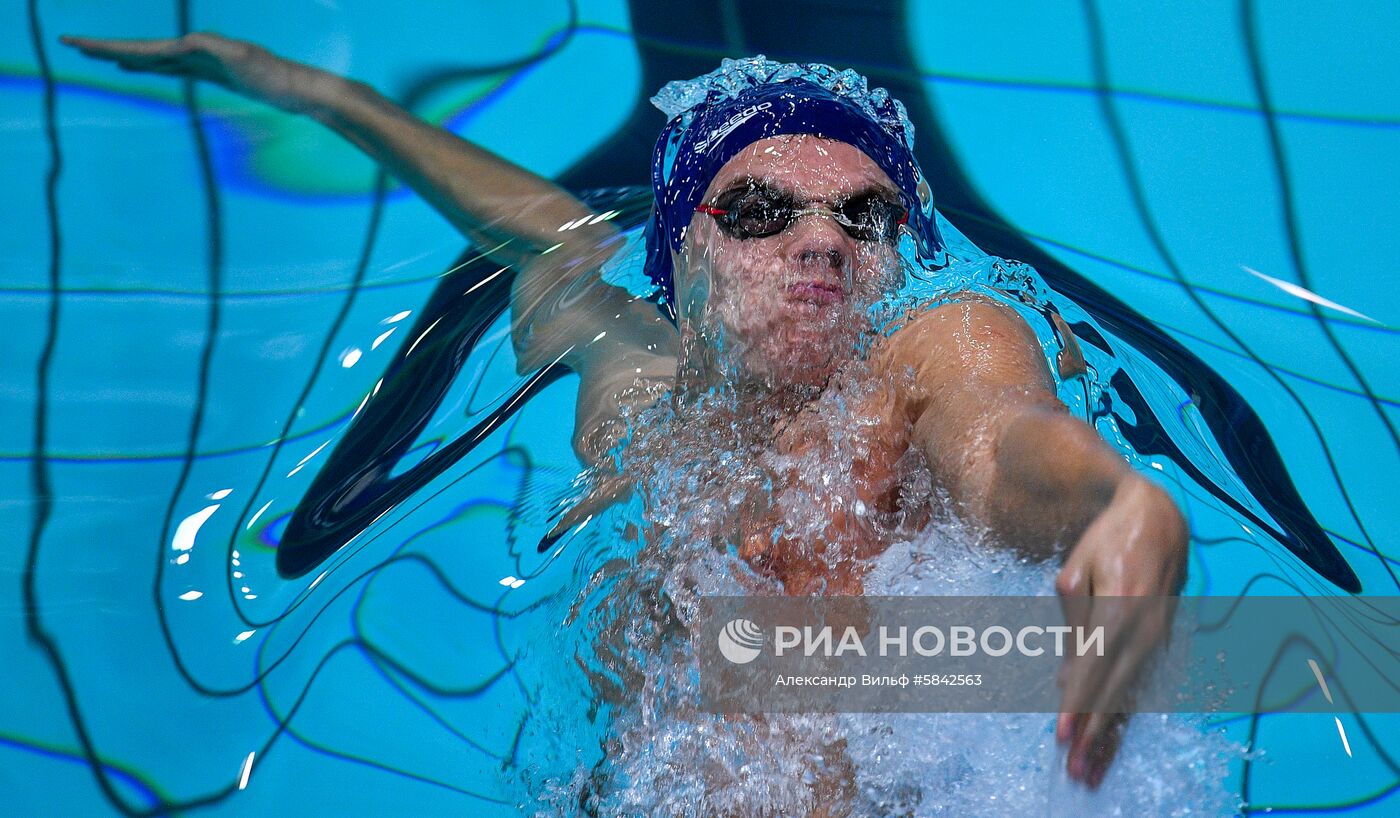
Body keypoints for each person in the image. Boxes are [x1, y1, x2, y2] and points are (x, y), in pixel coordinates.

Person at [63, 32, 1187, 792]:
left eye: (865, 215)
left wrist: (1115, 503)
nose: (820, 241)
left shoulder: (934, 348)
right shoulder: (628, 373)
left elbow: (1003, 435)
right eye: (756, 209)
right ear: (682, 254)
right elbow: (538, 230)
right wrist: (318, 92)